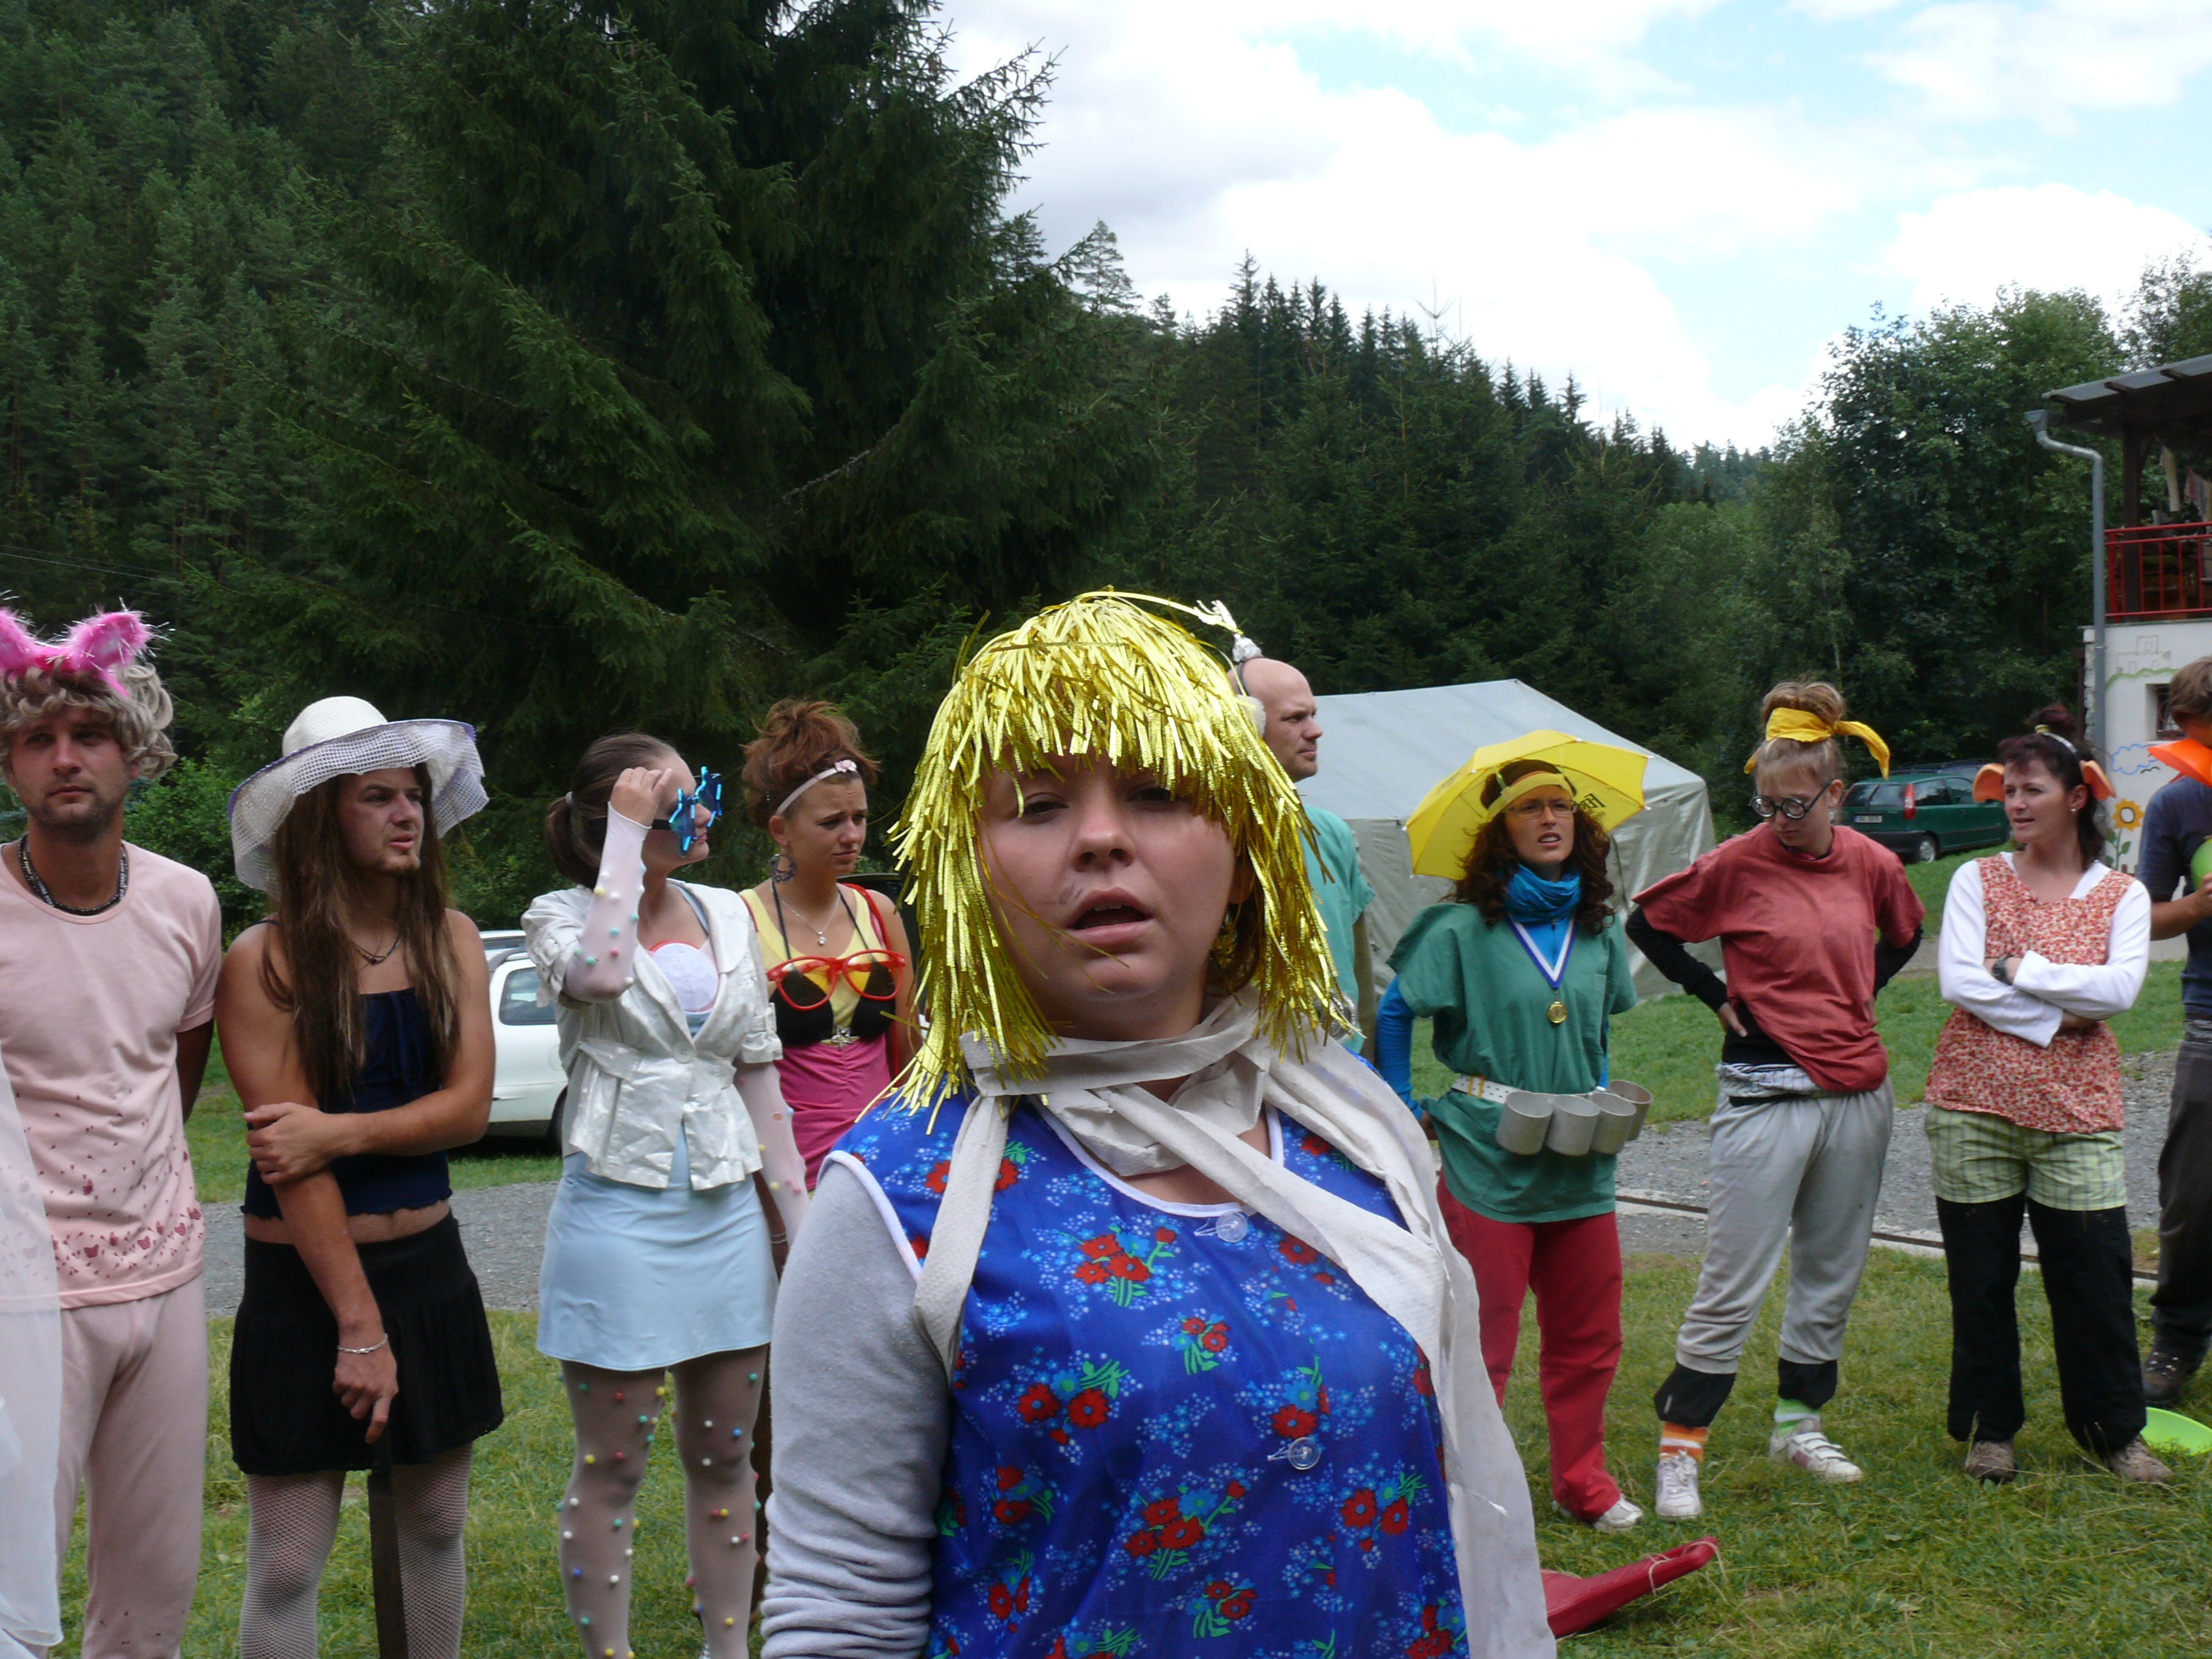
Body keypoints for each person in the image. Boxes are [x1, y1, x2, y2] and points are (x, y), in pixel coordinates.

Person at [761, 592, 1557, 1659]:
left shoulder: (1357, 1129)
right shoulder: (898, 1199)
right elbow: (839, 1611)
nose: (1100, 837)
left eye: (1156, 792)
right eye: (1037, 804)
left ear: (1243, 848)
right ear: (969, 870)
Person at [217, 696, 504, 1659]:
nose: (406, 813)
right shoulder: (265, 961)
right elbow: (289, 1165)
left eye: (412, 794)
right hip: (305, 1288)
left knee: (437, 1527)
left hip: (431, 1271)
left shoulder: (450, 938)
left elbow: (467, 1111)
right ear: (319, 820)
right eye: (376, 797)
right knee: (288, 1561)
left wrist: (337, 1132)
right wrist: (359, 1328)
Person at [527, 733, 811, 1657]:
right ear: (622, 817)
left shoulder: (726, 912)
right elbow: (602, 976)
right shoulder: (560, 917)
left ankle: (727, 1652)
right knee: (614, 1463)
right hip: (616, 1212)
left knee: (727, 1459)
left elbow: (757, 1072)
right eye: (678, 802)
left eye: (702, 791)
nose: (704, 813)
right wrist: (622, 840)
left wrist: (799, 1226)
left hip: (723, 1214)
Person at [1626, 681, 1922, 1521]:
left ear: (1836, 794)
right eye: (1767, 803)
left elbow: (1905, 935)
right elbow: (1648, 925)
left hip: (1857, 1094)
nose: (1781, 820)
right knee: (1733, 1279)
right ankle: (1681, 1448)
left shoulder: (1871, 863)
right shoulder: (1739, 862)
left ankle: (1799, 1427)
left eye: (1797, 805)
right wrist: (1713, 993)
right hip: (1764, 1094)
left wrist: (1859, 991)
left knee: (1832, 1271)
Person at [0, 608, 219, 1658]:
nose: (65, 758)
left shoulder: (186, 901)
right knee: (11, 1587)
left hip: (165, 1280)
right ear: (9, 763)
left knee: (152, 1594)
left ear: (134, 751)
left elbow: (178, 1070)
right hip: (20, 1298)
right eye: (37, 739)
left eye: (89, 734)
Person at [1374, 755, 1643, 1532]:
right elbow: (1395, 1013)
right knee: (1483, 1336)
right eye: (1531, 808)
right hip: (1486, 1153)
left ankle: (1582, 1483)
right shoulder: (1461, 928)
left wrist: (1595, 1096)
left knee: (1591, 1333)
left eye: (1562, 806)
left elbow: (1595, 1034)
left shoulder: (1596, 929)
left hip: (1580, 1154)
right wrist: (1401, 1104)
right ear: (1500, 829)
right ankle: (1471, 1492)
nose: (1551, 819)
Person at [1923, 708, 2162, 1484]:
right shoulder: (1976, 879)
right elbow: (1959, 981)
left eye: (2032, 791)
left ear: (2076, 797)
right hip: (1972, 1107)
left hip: (2079, 1116)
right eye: (2010, 793)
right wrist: (2063, 1014)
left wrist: (2020, 969)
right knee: (1981, 1283)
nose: (2016, 805)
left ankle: (2114, 1434)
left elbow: (2119, 992)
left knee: (2095, 1280)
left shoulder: (2124, 895)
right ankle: (1989, 1432)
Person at [737, 701, 914, 1187]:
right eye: (832, 822)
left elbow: (909, 1052)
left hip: (884, 1165)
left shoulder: (879, 913)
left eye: (859, 817)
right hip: (793, 1177)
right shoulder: (739, 922)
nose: (852, 835)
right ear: (781, 830)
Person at [2134, 655, 2212, 1406]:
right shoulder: (2176, 805)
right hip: (2210, 1018)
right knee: (2193, 1197)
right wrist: (2196, 907)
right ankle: (2177, 1341)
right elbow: (2142, 916)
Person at [1235, 648, 1379, 1048]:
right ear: (1245, 724)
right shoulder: (1209, 838)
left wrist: (1370, 1067)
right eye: (1295, 718)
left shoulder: (1330, 833)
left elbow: (1359, 972)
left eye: (1313, 715)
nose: (1316, 731)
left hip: (1345, 1067)